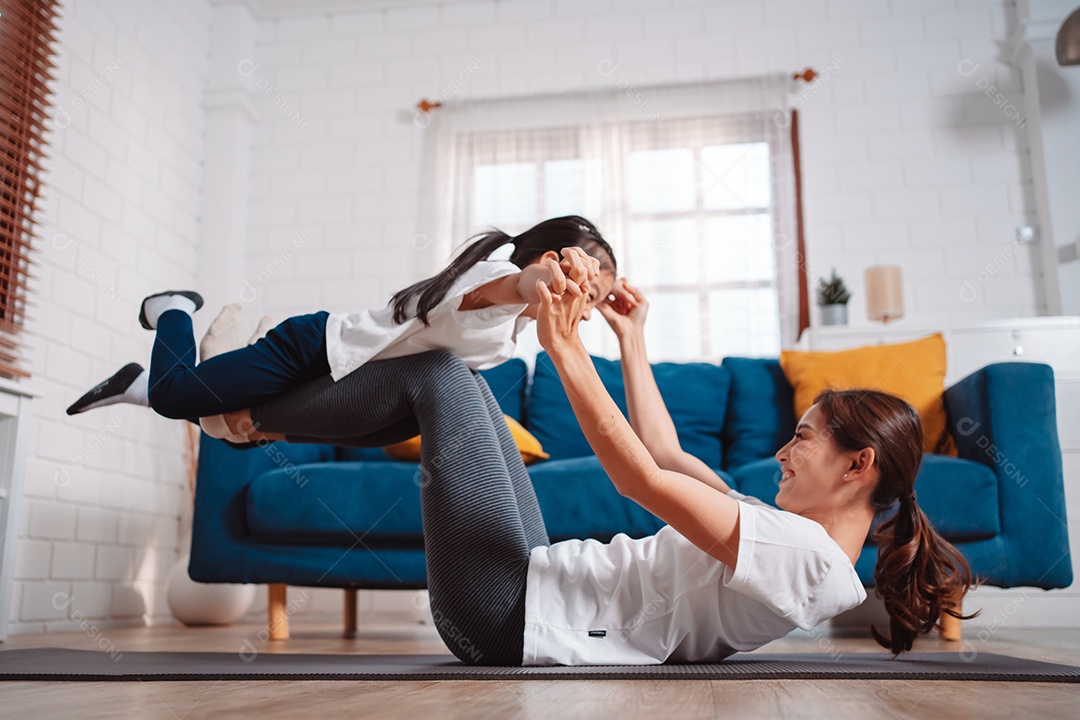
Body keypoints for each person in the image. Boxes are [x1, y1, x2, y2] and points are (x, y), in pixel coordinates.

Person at [233, 266, 976, 666]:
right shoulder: (792, 544)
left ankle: (249, 417)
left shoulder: (804, 560)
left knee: (444, 377)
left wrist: (566, 349)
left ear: (859, 466)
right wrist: (631, 338)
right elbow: (666, 456)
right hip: (532, 589)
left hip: (508, 618)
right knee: (465, 396)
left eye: (805, 438)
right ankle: (256, 415)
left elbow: (641, 484)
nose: (784, 450)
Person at [65, 215, 617, 445]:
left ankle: (135, 385)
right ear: (547, 260)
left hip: (344, 378)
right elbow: (524, 285)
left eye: (595, 301)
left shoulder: (506, 342)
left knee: (221, 430)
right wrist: (548, 277)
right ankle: (173, 310)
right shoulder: (499, 283)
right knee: (174, 398)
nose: (586, 312)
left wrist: (276, 428)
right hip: (312, 348)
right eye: (589, 294)